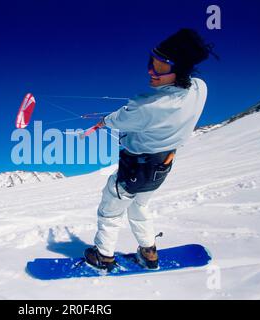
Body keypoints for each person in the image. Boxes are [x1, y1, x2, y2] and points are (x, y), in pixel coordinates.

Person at [84, 28, 216, 270]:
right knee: (139, 206)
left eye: (161, 67)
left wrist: (105, 121)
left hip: (134, 169)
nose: (151, 71)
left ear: (180, 69)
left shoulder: (145, 105)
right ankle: (149, 253)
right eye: (151, 62)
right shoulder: (200, 87)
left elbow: (120, 120)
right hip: (162, 168)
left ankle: (103, 257)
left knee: (110, 210)